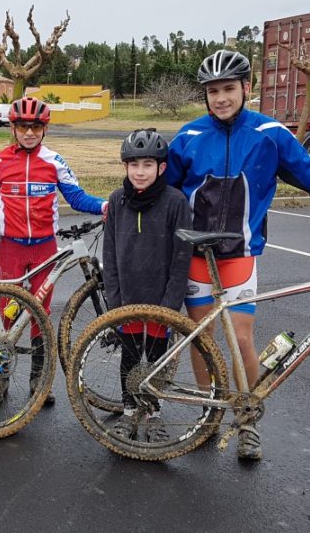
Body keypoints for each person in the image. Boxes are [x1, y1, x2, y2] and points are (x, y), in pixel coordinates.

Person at [166, 50, 310, 459]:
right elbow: (163, 192)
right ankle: (209, 411)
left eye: (228, 89)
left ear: (246, 88)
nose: (220, 98)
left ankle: (248, 418)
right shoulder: (188, 137)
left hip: (239, 255)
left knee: (240, 338)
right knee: (202, 339)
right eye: (213, 91)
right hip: (197, 256)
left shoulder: (269, 133)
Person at [0, 96, 108, 407]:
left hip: (45, 250)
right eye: (23, 127)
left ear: (45, 129)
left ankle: (38, 380)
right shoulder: (0, 162)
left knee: (40, 313)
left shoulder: (54, 162)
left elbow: (77, 198)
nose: (29, 132)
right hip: (11, 249)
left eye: (36, 127)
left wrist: (106, 205)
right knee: (8, 313)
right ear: (12, 128)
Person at [103, 129, 193, 442]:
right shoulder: (117, 200)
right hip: (126, 300)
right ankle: (129, 413)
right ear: (125, 167)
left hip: (160, 301)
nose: (140, 171)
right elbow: (110, 254)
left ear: (161, 168)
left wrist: (170, 305)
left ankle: (153, 414)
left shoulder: (176, 202)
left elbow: (182, 259)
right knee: (129, 359)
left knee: (154, 361)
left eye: (148, 165)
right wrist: (114, 300)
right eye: (134, 164)